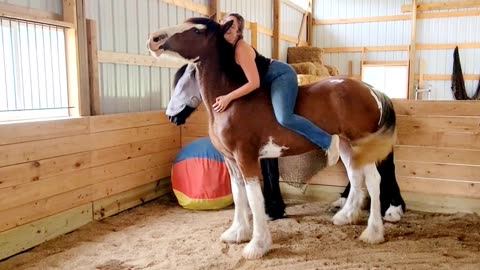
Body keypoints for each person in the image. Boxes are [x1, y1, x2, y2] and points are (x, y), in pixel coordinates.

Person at [212, 13, 340, 167]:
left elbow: (254, 83)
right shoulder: (224, 48)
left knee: (284, 118)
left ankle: (328, 141)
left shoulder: (241, 49)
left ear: (238, 32)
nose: (227, 28)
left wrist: (228, 97)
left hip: (280, 75)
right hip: (265, 79)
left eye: (232, 26)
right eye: (224, 23)